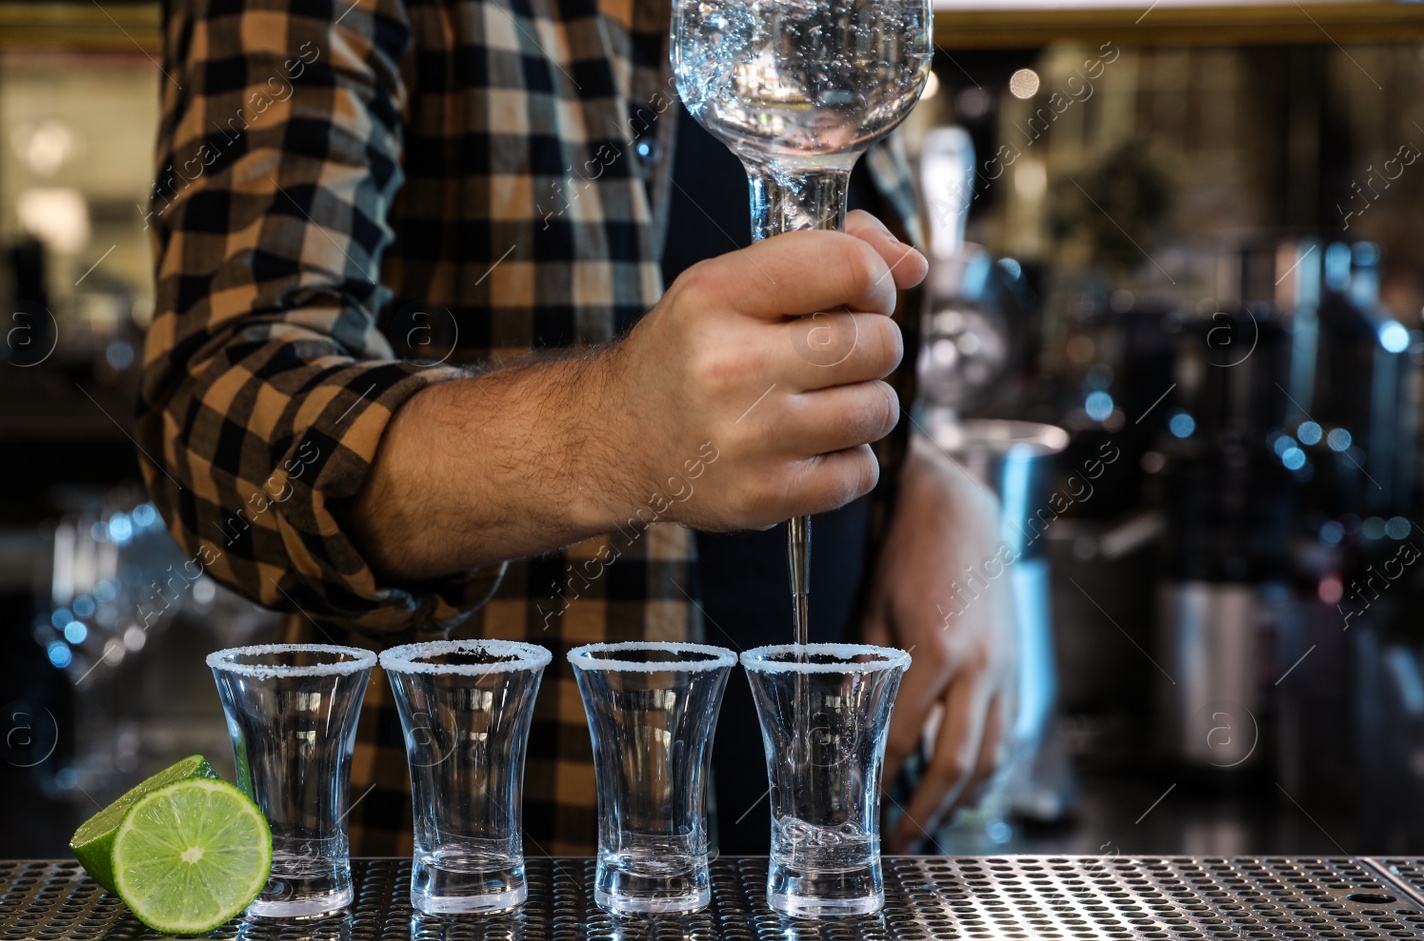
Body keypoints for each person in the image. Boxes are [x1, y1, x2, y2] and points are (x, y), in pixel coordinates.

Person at [137, 0, 1016, 858]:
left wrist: (926, 480)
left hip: (845, 877)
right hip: (488, 885)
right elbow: (216, 418)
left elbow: (795, 343)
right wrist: (614, 435)